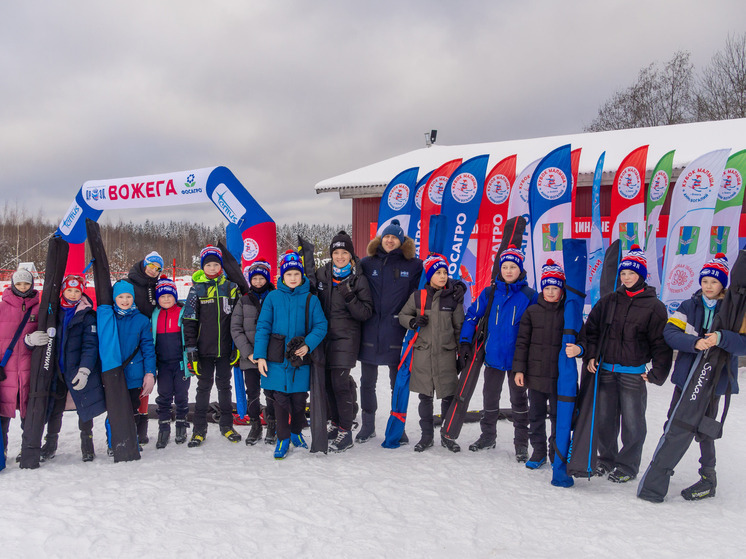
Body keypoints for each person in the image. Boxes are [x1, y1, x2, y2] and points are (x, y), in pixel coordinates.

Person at [567, 244, 672, 482]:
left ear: (641, 276)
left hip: (633, 375)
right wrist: (591, 355)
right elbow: (591, 331)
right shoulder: (608, 301)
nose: (626, 278)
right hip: (605, 371)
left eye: (631, 274)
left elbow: (660, 342)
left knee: (634, 424)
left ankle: (627, 466)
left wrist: (658, 371)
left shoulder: (654, 307)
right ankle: (606, 459)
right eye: (623, 273)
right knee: (605, 420)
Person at [660, 254, 746, 500]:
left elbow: (743, 345)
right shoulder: (689, 305)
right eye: (705, 280)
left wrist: (721, 338)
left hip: (714, 380)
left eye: (714, 282)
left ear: (723, 284)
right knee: (673, 422)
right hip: (686, 377)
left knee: (705, 428)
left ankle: (708, 478)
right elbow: (670, 332)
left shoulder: (734, 310)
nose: (708, 286)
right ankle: (663, 465)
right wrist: (694, 342)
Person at [460, 244, 536, 461]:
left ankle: (521, 444)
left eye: (513, 267)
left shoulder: (529, 295)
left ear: (520, 269)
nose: (509, 271)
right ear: (500, 269)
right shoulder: (490, 292)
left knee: (519, 401)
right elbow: (473, 315)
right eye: (505, 267)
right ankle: (488, 436)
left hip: (518, 361)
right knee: (489, 398)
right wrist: (465, 340)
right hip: (492, 357)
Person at [253, 251, 327, 460]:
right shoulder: (273, 297)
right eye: (289, 274)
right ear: (282, 276)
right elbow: (263, 327)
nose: (293, 278)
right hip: (276, 360)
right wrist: (260, 356)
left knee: (298, 401)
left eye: (296, 274)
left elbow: (321, 325)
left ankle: (295, 432)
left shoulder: (310, 299)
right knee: (279, 401)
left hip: (299, 361)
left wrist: (308, 344)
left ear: (301, 275)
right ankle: (283, 438)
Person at [358, 219, 422, 444]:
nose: (390, 240)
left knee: (398, 382)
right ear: (380, 239)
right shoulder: (366, 263)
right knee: (367, 381)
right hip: (370, 330)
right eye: (387, 237)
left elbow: (423, 291)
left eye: (395, 237)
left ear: (402, 241)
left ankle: (398, 427)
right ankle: (367, 426)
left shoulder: (413, 265)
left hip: (397, 331)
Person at [312, 231, 373, 453]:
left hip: (347, 338)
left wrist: (349, 296)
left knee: (340, 384)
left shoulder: (358, 279)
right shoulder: (321, 274)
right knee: (327, 384)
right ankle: (335, 424)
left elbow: (366, 312)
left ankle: (346, 431)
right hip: (322, 337)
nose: (340, 257)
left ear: (351, 255)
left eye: (344, 252)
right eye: (336, 252)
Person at [399, 254, 464, 453]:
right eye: (438, 272)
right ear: (429, 275)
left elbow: (459, 327)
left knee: (448, 396)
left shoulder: (453, 298)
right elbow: (403, 315)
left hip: (445, 356)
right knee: (425, 397)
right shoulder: (418, 297)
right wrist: (412, 322)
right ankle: (426, 436)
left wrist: (462, 354)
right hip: (423, 356)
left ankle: (447, 435)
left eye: (445, 272)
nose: (443, 276)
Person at [42, 275, 107, 462]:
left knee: (84, 406)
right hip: (57, 370)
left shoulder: (87, 315)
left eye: (77, 291)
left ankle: (87, 443)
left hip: (77, 368)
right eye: (69, 290)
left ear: (82, 292)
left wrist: (85, 369)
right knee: (55, 407)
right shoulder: (55, 311)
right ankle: (50, 442)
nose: (73, 294)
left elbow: (90, 345)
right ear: (63, 291)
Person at [183, 245, 241, 447]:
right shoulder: (195, 289)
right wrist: (191, 351)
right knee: (203, 388)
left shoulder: (231, 288)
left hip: (226, 350)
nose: (212, 267)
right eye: (208, 264)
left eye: (216, 264)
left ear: (221, 266)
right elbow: (189, 322)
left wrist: (237, 347)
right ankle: (199, 429)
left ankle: (227, 425)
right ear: (203, 266)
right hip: (203, 351)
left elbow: (238, 320)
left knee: (225, 387)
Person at [513, 260, 565, 469]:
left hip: (557, 377)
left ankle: (555, 452)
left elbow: (581, 338)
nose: (551, 292)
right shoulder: (532, 312)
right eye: (547, 288)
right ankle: (539, 451)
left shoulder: (567, 313)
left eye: (555, 288)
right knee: (535, 415)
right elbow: (522, 343)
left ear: (561, 290)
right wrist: (519, 369)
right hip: (534, 376)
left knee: (556, 416)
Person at [231, 260, 277, 446]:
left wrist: (269, 353)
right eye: (255, 278)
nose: (258, 282)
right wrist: (249, 353)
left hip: (271, 356)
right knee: (253, 392)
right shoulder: (243, 301)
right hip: (250, 357)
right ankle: (255, 424)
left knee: (271, 392)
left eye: (261, 278)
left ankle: (272, 424)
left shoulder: (275, 297)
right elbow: (235, 328)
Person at [111, 280, 157, 453]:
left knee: (132, 407)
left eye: (128, 296)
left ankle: (133, 440)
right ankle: (115, 441)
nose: (125, 300)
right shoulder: (109, 318)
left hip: (134, 373)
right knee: (115, 410)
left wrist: (150, 373)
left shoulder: (142, 320)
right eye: (121, 297)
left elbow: (148, 348)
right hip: (114, 373)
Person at [0, 268, 40, 459]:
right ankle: (2, 449)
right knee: (2, 412)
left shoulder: (39, 307)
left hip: (29, 369)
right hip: (5, 369)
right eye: (19, 283)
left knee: (29, 411)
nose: (23, 287)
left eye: (26, 283)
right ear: (12, 284)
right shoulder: (2, 307)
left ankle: (28, 449)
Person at [127, 250, 164, 445]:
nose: (153, 270)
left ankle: (142, 427)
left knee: (147, 379)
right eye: (151, 266)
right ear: (144, 264)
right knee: (132, 381)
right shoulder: (130, 283)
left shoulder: (156, 285)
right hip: (132, 336)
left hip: (150, 337)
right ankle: (128, 424)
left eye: (158, 268)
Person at [151, 276, 190, 448]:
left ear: (175, 296)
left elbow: (189, 336)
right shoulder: (154, 314)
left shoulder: (182, 312)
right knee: (164, 395)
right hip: (163, 364)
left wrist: (190, 360)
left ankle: (181, 424)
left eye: (170, 296)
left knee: (181, 395)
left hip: (180, 363)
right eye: (162, 296)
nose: (166, 299)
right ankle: (164, 427)